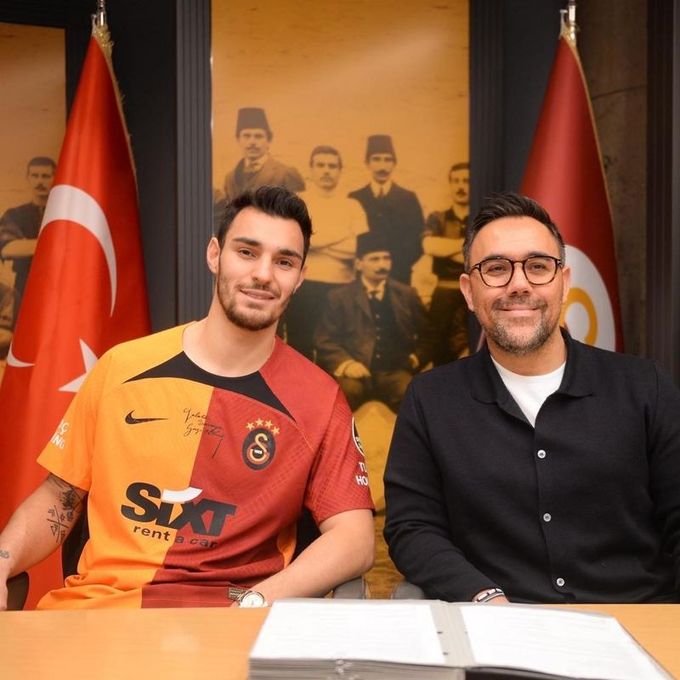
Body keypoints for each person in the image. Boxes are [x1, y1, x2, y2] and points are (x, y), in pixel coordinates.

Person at [0, 186, 374, 610]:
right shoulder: (121, 367)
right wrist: (3, 558)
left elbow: (355, 539)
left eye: (284, 261)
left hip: (230, 619)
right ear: (215, 255)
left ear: (300, 277)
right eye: (247, 252)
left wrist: (258, 600)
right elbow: (59, 496)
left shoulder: (318, 400)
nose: (264, 274)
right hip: (100, 612)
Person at [384, 191, 680, 605]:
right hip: (502, 628)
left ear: (565, 282)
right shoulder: (431, 399)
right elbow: (413, 528)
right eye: (496, 269)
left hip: (639, 620)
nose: (519, 285)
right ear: (468, 291)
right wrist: (483, 597)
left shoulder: (645, 386)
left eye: (538, 267)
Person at [314, 231, 431, 414]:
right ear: (359, 264)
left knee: (411, 398)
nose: (382, 265)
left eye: (386, 258)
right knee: (344, 397)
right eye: (374, 259)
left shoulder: (406, 294)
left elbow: (428, 335)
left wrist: (415, 358)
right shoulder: (339, 297)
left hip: (394, 371)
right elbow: (324, 340)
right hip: (355, 373)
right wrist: (348, 364)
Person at [284, 145, 368, 358]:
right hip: (302, 287)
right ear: (311, 169)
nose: (326, 170)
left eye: (332, 166)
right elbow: (294, 244)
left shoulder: (352, 206)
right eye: (320, 165)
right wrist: (342, 236)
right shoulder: (297, 201)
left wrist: (314, 241)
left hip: (341, 287)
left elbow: (357, 250)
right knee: (299, 346)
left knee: (334, 348)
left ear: (340, 171)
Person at [349, 135, 424, 285]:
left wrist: (394, 265)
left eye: (387, 160)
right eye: (376, 159)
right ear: (367, 163)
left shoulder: (408, 198)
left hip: (400, 275)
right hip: (364, 277)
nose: (382, 166)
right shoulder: (355, 198)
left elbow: (418, 240)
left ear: (394, 164)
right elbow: (352, 239)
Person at [422, 162, 470, 364]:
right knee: (439, 352)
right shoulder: (437, 218)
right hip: (443, 294)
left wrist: (446, 249)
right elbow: (429, 246)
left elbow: (482, 256)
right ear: (450, 184)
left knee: (471, 350)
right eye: (456, 181)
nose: (460, 186)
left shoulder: (482, 218)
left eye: (466, 181)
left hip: (473, 294)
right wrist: (468, 245)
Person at [0, 156, 56, 315]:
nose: (40, 181)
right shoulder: (15, 215)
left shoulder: (64, 214)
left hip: (59, 281)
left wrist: (26, 245)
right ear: (28, 178)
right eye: (35, 176)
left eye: (46, 176)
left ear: (56, 177)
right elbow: (7, 248)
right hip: (25, 283)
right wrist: (55, 243)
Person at [221, 107, 305, 202]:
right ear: (238, 140)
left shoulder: (286, 174)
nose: (252, 142)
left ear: (269, 140)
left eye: (258, 136)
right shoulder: (230, 178)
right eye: (246, 136)